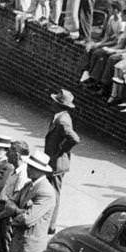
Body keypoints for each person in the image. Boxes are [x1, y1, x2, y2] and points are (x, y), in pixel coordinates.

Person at [43, 89, 80, 232]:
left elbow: (75, 138)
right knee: (51, 192)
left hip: (57, 163)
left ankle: (51, 225)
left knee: (53, 194)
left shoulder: (62, 120)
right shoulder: (59, 117)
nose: (52, 103)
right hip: (54, 161)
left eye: (55, 101)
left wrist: (61, 150)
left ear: (59, 105)